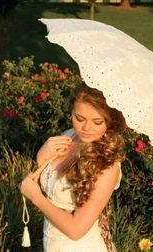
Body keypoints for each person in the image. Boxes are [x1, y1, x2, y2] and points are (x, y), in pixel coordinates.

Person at [20, 83, 126, 252]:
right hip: (53, 244)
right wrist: (42, 157)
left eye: (97, 122)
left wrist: (36, 197)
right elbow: (51, 188)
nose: (86, 128)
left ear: (110, 122)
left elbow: (75, 230)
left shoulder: (107, 168)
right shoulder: (69, 136)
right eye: (79, 118)